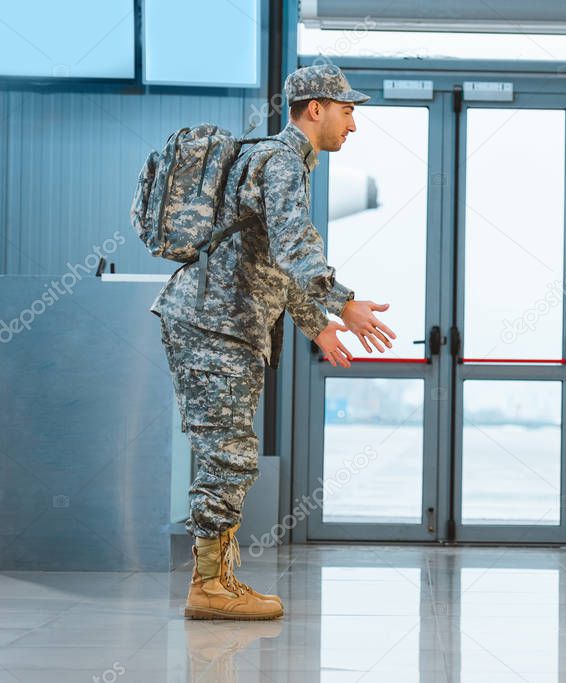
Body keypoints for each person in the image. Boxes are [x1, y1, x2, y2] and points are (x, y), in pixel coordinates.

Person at [152, 64, 396, 620]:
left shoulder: (274, 160)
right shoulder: (282, 162)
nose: (352, 124)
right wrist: (344, 301)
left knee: (229, 453)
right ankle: (208, 587)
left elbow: (270, 262)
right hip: (213, 323)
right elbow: (296, 250)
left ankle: (217, 578)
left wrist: (316, 324)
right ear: (317, 109)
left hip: (222, 322)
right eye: (347, 110)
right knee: (229, 455)